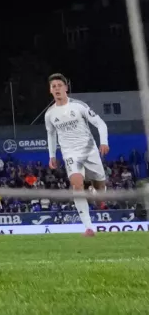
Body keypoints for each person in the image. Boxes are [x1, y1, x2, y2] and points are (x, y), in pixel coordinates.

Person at [45, 73, 109, 237]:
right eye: (54, 86)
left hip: (90, 150)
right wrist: (52, 155)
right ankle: (88, 228)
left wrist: (104, 142)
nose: (57, 88)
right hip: (70, 153)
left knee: (100, 191)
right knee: (77, 185)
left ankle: (96, 193)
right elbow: (51, 135)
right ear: (50, 91)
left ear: (66, 88)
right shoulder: (50, 114)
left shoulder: (78, 106)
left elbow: (100, 123)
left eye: (60, 85)